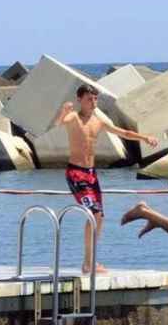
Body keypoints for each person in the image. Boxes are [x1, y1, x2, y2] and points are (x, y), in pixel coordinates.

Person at [55, 85, 159, 273]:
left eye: (95, 99)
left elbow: (124, 133)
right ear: (80, 100)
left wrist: (145, 138)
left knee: (100, 217)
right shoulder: (74, 118)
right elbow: (59, 124)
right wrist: (63, 111)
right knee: (93, 213)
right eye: (89, 99)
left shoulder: (98, 122)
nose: (93, 102)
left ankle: (90, 261)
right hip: (76, 173)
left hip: (91, 174)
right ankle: (88, 264)